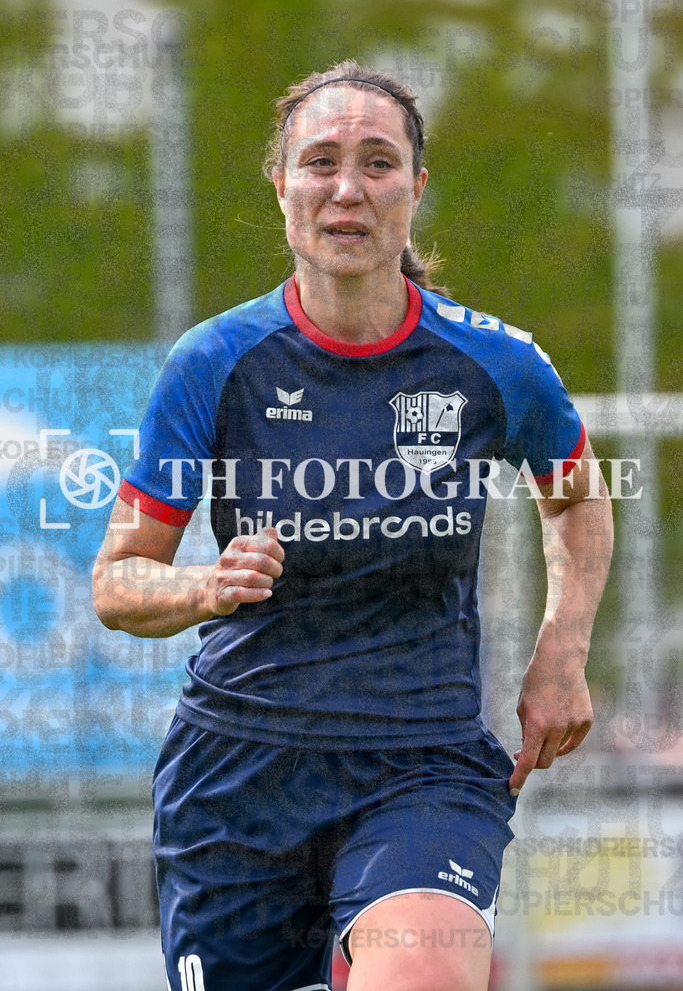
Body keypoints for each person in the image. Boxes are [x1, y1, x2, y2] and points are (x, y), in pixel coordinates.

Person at [93, 60, 613, 991]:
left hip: (422, 761)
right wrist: (202, 586)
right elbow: (118, 582)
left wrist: (561, 650)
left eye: (377, 163)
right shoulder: (212, 363)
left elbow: (576, 494)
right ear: (281, 182)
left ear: (415, 187)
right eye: (320, 161)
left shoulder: (494, 363)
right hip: (238, 780)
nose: (346, 187)